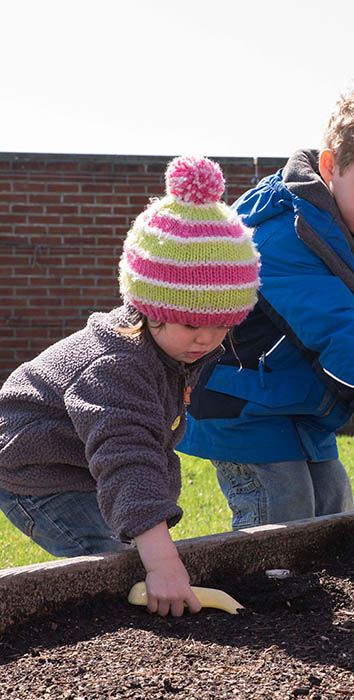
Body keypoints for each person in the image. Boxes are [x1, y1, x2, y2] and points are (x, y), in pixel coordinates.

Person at [178, 84, 354, 529]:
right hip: (243, 405)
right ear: (330, 166)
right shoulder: (278, 233)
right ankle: (265, 592)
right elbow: (333, 331)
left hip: (300, 410)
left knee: (333, 507)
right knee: (282, 513)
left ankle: (312, 598)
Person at [0, 156, 260, 616]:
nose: (206, 338)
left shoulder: (178, 348)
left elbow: (149, 441)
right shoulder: (116, 366)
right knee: (119, 571)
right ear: (147, 306)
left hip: (80, 461)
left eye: (222, 324)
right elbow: (126, 456)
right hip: (34, 470)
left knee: (141, 548)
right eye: (189, 323)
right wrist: (162, 561)